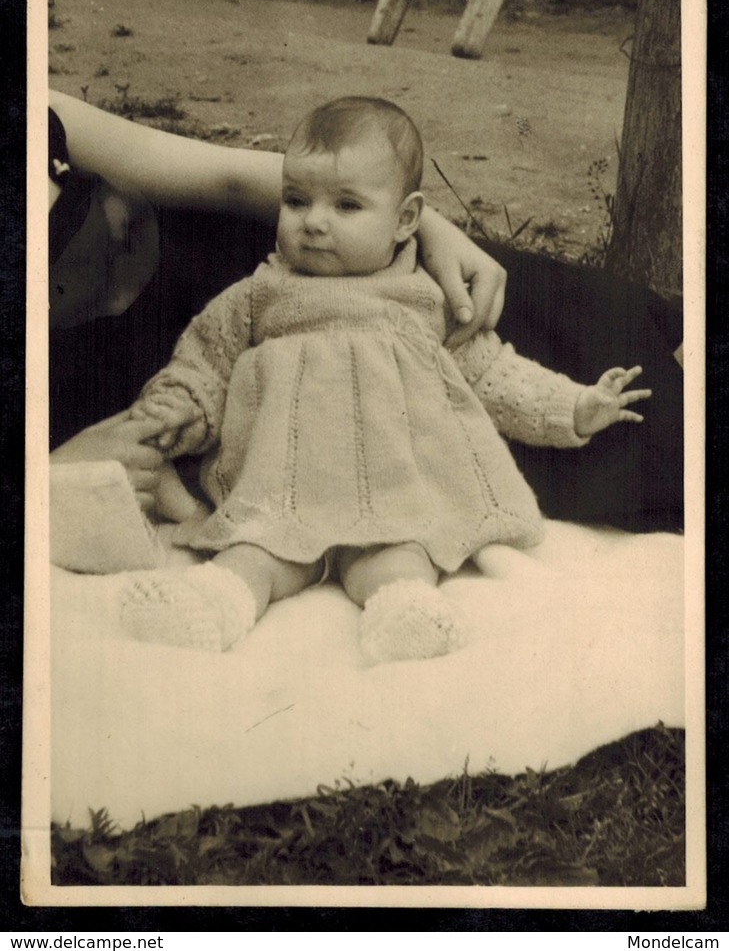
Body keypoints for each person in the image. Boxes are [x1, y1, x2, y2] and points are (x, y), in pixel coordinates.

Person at [118, 97, 650, 663]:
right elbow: (205, 363)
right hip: (281, 492)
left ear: (404, 220)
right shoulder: (258, 295)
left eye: (346, 206)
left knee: (400, 557)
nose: (314, 221)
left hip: (392, 493)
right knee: (254, 551)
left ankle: (405, 614)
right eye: (296, 200)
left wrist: (571, 407)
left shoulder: (424, 299)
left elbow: (489, 373)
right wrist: (179, 409)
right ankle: (213, 604)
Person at [48, 90, 508, 513]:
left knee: (512, 334)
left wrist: (425, 229)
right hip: (199, 399)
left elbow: (231, 178)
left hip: (293, 268)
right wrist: (49, 472)